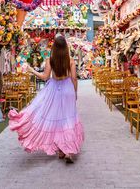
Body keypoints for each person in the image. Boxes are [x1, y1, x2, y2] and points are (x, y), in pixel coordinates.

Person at [8, 35, 84, 163]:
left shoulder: (50, 60)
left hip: (54, 89)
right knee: (68, 119)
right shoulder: (70, 60)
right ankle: (68, 152)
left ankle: (61, 150)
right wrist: (75, 92)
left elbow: (44, 77)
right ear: (66, 47)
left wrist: (32, 70)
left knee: (56, 119)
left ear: (54, 47)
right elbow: (74, 78)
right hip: (67, 90)